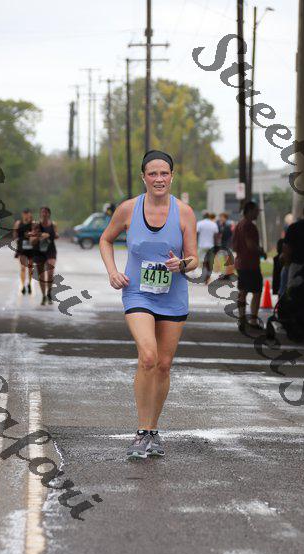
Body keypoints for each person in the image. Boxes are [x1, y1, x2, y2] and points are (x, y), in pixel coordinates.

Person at [99, 150, 198, 459]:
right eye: (153, 173)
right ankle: (142, 432)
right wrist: (113, 272)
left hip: (173, 296)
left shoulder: (184, 213)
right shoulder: (128, 209)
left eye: (164, 173)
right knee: (148, 357)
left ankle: (153, 430)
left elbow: (194, 258)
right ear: (143, 177)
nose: (159, 179)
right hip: (137, 294)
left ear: (172, 176)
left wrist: (182, 264)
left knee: (164, 365)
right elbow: (105, 239)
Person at [232, 201, 266, 331]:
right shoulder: (249, 226)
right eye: (256, 211)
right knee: (257, 292)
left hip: (240, 263)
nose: (258, 213)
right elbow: (251, 245)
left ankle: (242, 319)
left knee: (243, 291)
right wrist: (261, 251)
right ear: (250, 210)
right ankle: (253, 320)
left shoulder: (239, 225)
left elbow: (234, 246)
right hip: (250, 264)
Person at [31, 207, 58, 306]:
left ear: (49, 214)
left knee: (50, 273)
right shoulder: (36, 225)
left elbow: (56, 235)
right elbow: (32, 241)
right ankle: (43, 296)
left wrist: (53, 236)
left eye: (46, 212)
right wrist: (40, 236)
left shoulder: (53, 224)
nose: (44, 214)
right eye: (42, 212)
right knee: (41, 275)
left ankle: (49, 293)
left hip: (51, 251)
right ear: (40, 214)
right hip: (39, 251)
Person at [13, 209, 34, 295]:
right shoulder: (18, 223)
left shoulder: (33, 224)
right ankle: (23, 286)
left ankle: (29, 284)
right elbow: (15, 234)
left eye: (27, 214)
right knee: (22, 268)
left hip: (31, 248)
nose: (26, 215)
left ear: (30, 214)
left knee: (30, 268)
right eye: (24, 214)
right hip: (22, 248)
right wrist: (17, 239)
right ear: (22, 214)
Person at [196, 212, 219, 284]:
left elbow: (197, 234)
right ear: (209, 217)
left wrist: (195, 243)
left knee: (204, 262)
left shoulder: (199, 223)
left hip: (202, 245)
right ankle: (208, 276)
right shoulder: (213, 224)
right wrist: (216, 246)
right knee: (210, 262)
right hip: (211, 246)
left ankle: (205, 275)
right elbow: (216, 236)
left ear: (203, 216)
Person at [216, 212, 234, 279]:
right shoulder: (223, 225)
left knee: (227, 260)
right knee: (226, 260)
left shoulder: (227, 225)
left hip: (227, 244)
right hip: (224, 244)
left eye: (221, 217)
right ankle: (227, 274)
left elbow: (226, 235)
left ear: (225, 217)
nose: (220, 218)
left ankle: (228, 274)